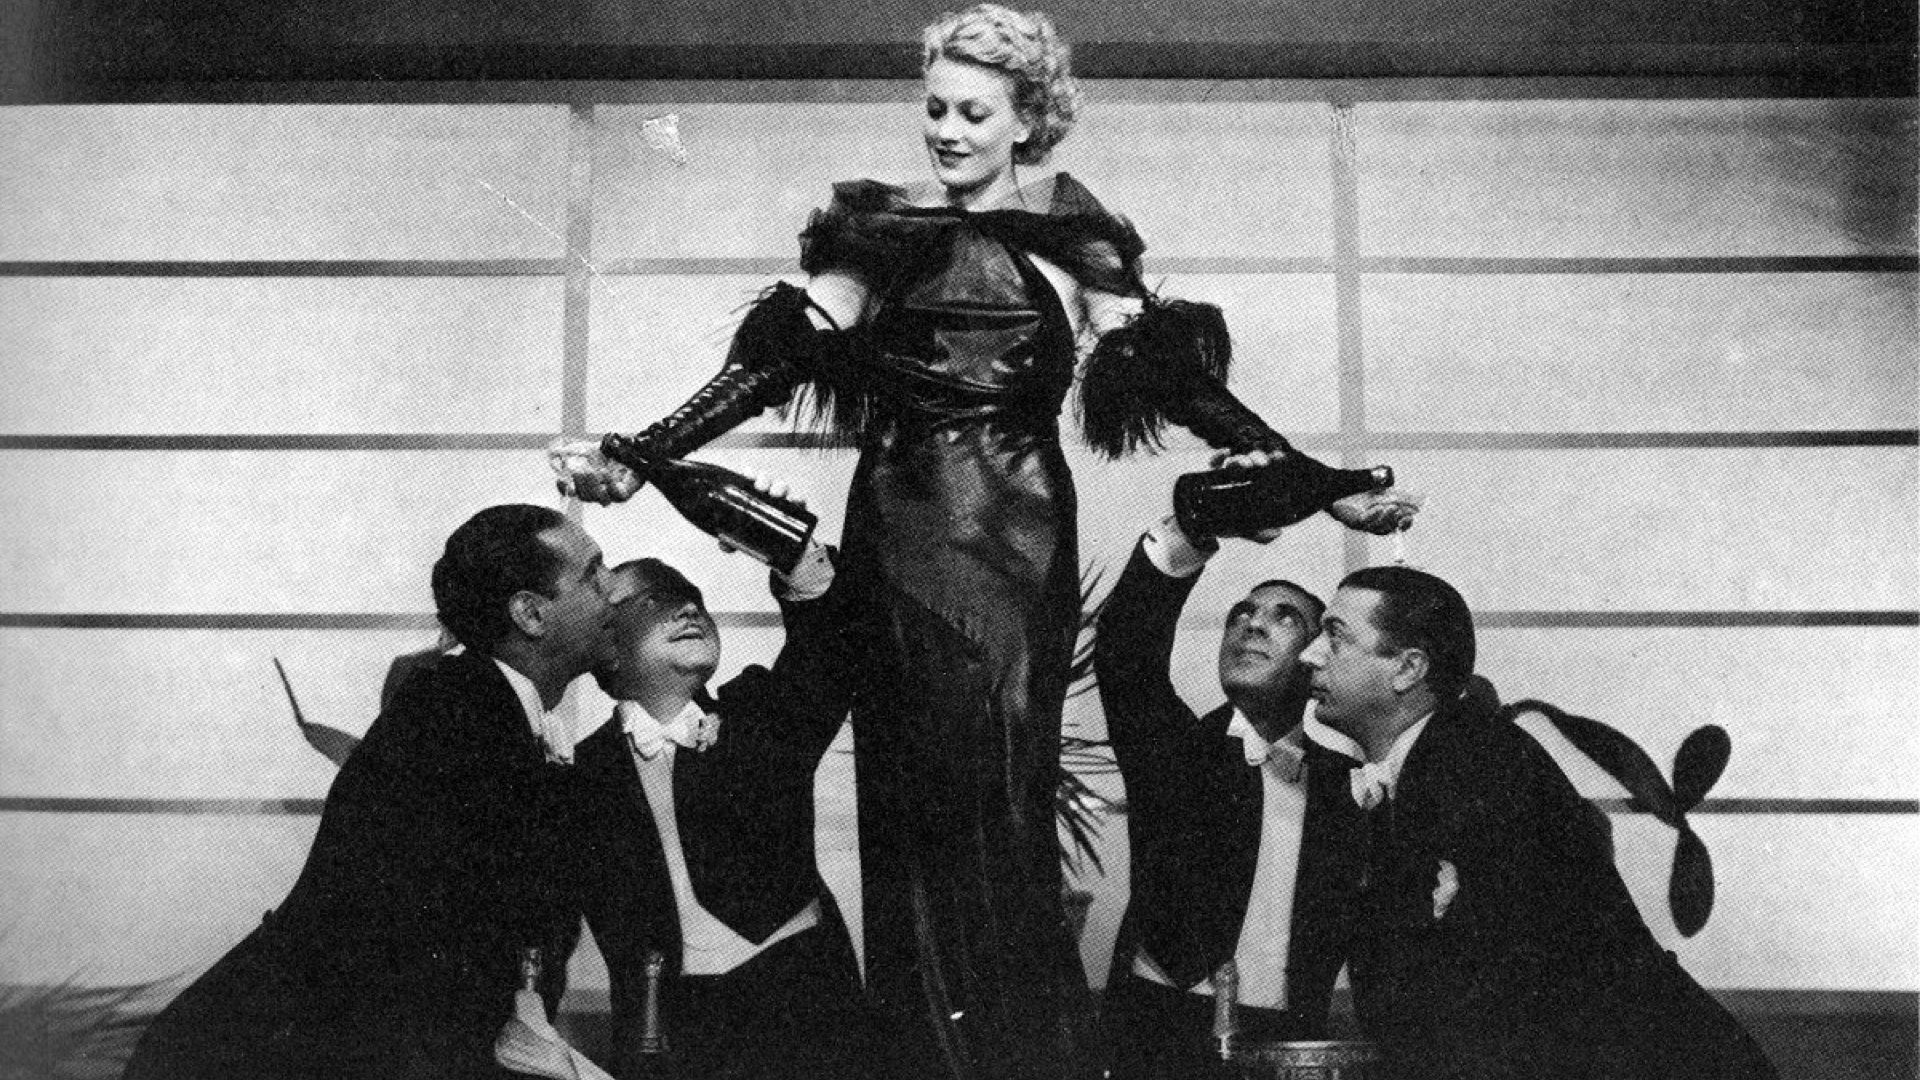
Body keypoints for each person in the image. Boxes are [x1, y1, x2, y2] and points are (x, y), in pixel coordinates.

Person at [559, 7, 1401, 1075]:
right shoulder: (873, 228)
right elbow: (774, 361)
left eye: (973, 113)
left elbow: (1174, 384)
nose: (947, 131)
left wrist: (1322, 486)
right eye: (936, 108)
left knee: (1005, 791)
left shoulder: (1077, 236)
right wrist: (644, 449)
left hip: (1021, 540)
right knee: (909, 802)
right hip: (899, 526)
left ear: (1027, 121)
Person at [123, 505, 621, 1080]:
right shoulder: (457, 714)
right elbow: (429, 965)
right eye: (594, 574)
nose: (613, 590)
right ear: (531, 613)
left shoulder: (478, 706)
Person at [1298, 566, 1778, 1080]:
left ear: (1408, 668)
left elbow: (1492, 992)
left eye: (1335, 636)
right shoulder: (1447, 755)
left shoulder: (1475, 761)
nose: (1310, 655)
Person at [563, 535, 872, 1080]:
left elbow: (825, 650)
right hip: (670, 1027)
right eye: (651, 600)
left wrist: (789, 549)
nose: (686, 606)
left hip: (802, 1002)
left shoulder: (756, 713)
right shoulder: (578, 774)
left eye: (693, 597)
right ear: (605, 642)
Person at [1093, 507, 1386, 1079]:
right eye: (1242, 613)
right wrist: (1195, 524)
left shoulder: (1351, 785)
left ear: (1317, 659)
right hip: (1158, 1034)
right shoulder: (1175, 749)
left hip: (1293, 1047)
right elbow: (1126, 652)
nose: (1252, 624)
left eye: (1284, 617)